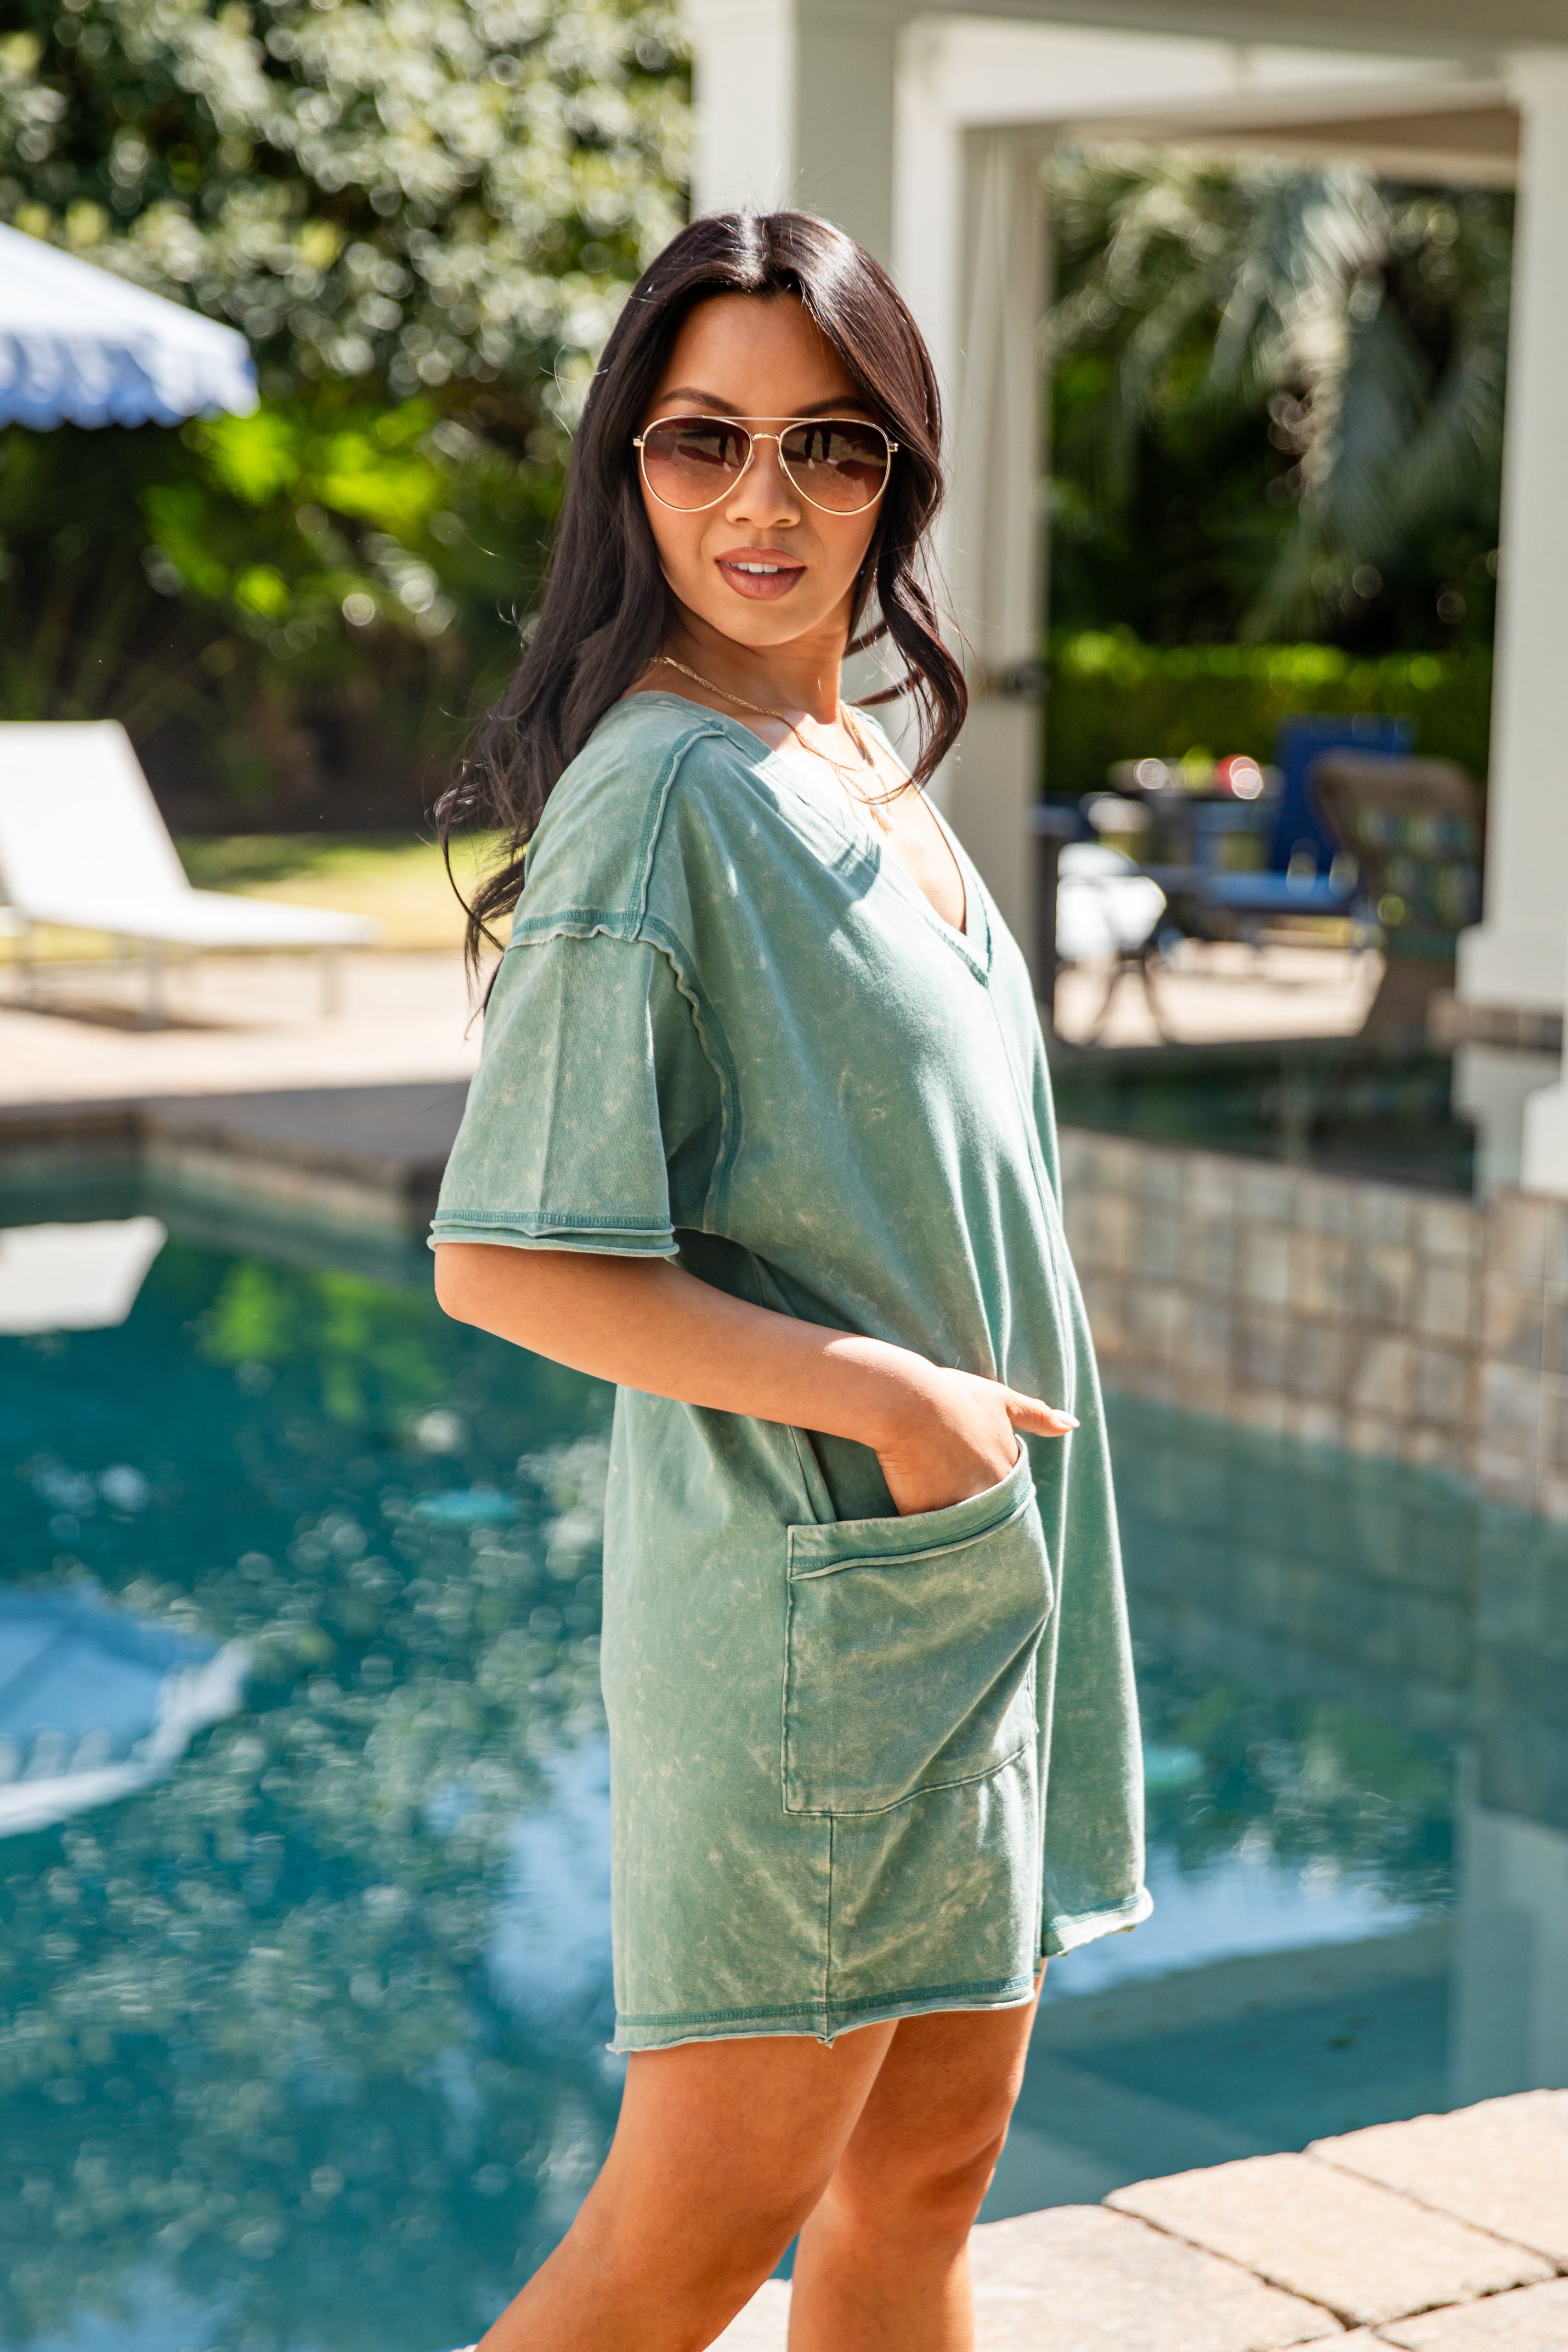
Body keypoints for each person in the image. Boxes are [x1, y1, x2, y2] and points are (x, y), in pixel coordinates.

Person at [432, 209, 1148, 2352]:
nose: (763, 503)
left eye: (827, 448)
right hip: (815, 1607)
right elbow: (503, 1260)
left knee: (920, 2186)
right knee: (679, 2248)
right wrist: (902, 1409)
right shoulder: (658, 794)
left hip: (968, 1580)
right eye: (701, 442)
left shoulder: (853, 759)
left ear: (897, 478)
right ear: (626, 472)